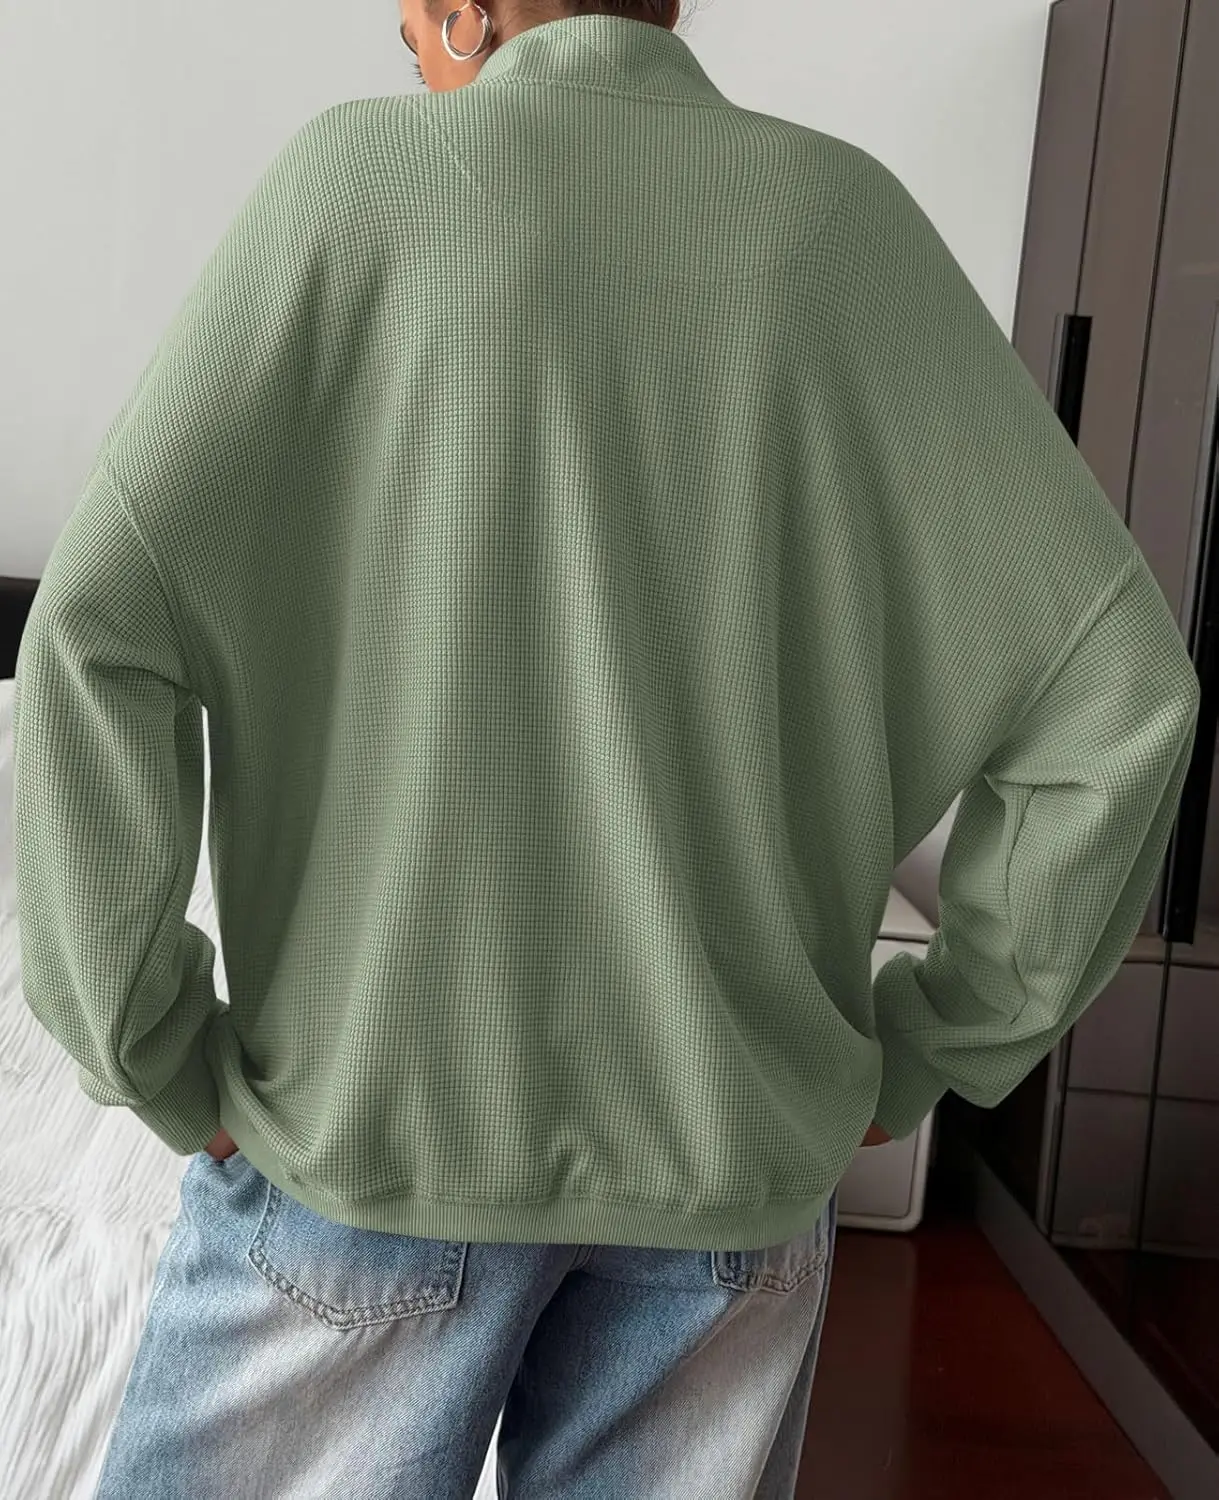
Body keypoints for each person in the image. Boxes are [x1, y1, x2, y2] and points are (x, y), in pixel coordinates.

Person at [11, 2, 1199, 1497]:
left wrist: (154, 1051)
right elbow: (1120, 695)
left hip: (368, 1154)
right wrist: (936, 1041)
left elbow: (90, 642)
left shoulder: (356, 188)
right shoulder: (842, 223)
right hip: (729, 1185)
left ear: (461, 9)